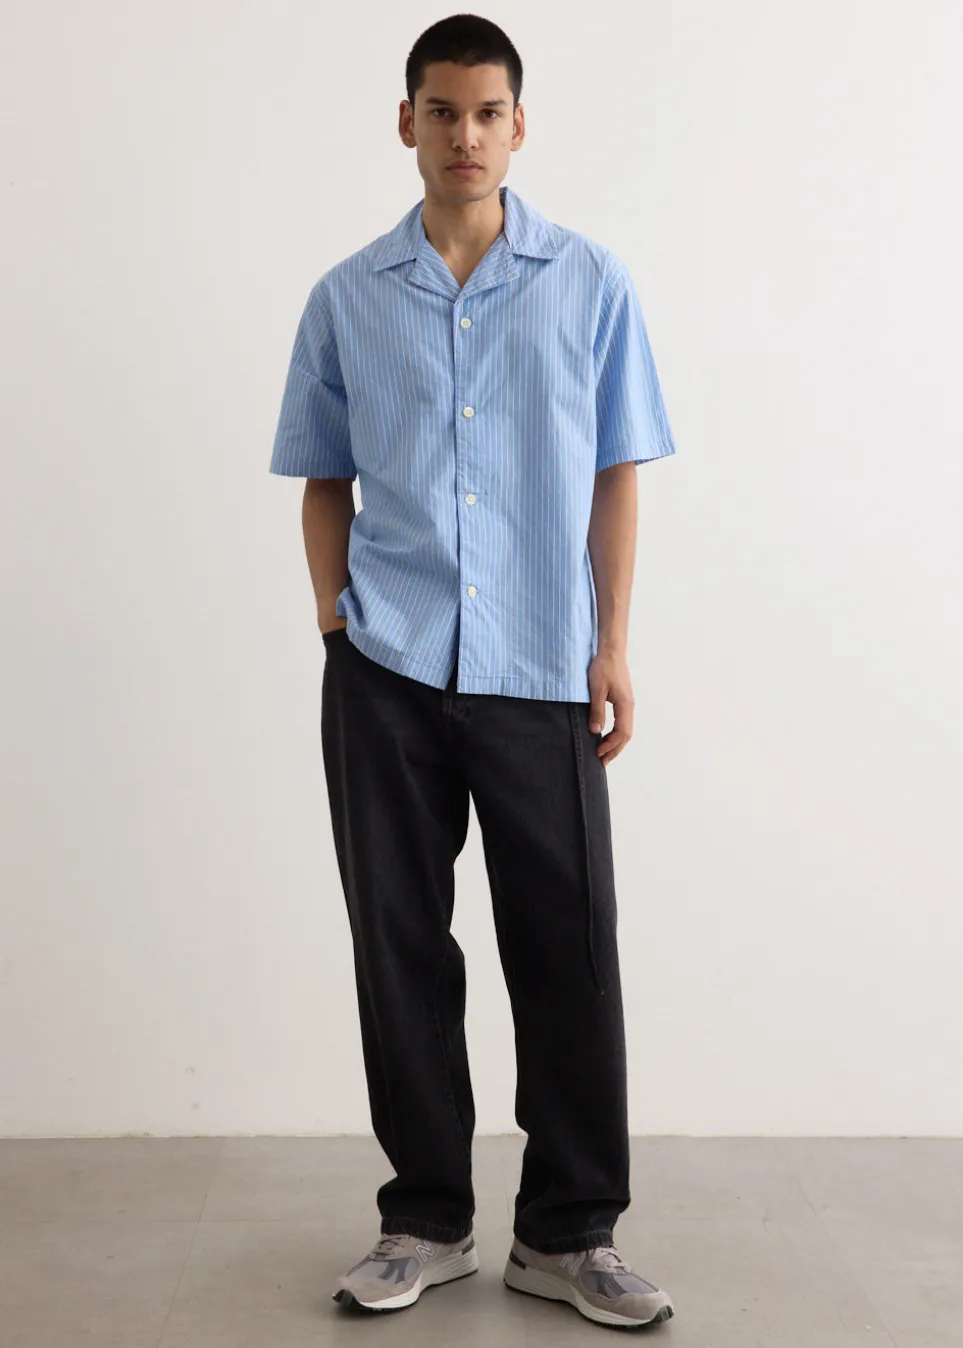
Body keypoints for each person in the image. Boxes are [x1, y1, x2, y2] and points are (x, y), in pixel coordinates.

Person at [269, 12, 677, 1332]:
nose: (465, 135)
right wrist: (337, 623)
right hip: (385, 666)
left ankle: (570, 1233)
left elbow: (616, 474)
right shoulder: (345, 297)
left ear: (519, 125)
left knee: (567, 946)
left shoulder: (590, 282)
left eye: (487, 112)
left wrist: (611, 643)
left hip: (541, 665)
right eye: (441, 111)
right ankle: (425, 1221)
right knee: (399, 944)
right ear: (407, 121)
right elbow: (320, 478)